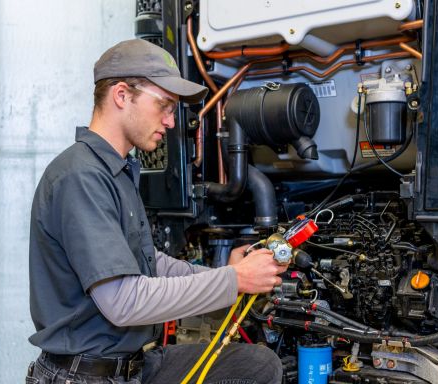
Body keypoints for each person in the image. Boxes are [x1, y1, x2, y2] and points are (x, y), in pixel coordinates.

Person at [27, 39, 287, 384]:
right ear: (122, 95)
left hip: (135, 363)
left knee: (257, 366)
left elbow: (151, 262)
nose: (169, 121)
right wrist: (234, 281)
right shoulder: (80, 176)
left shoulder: (118, 171)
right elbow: (123, 301)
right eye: (163, 105)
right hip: (85, 375)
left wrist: (226, 275)